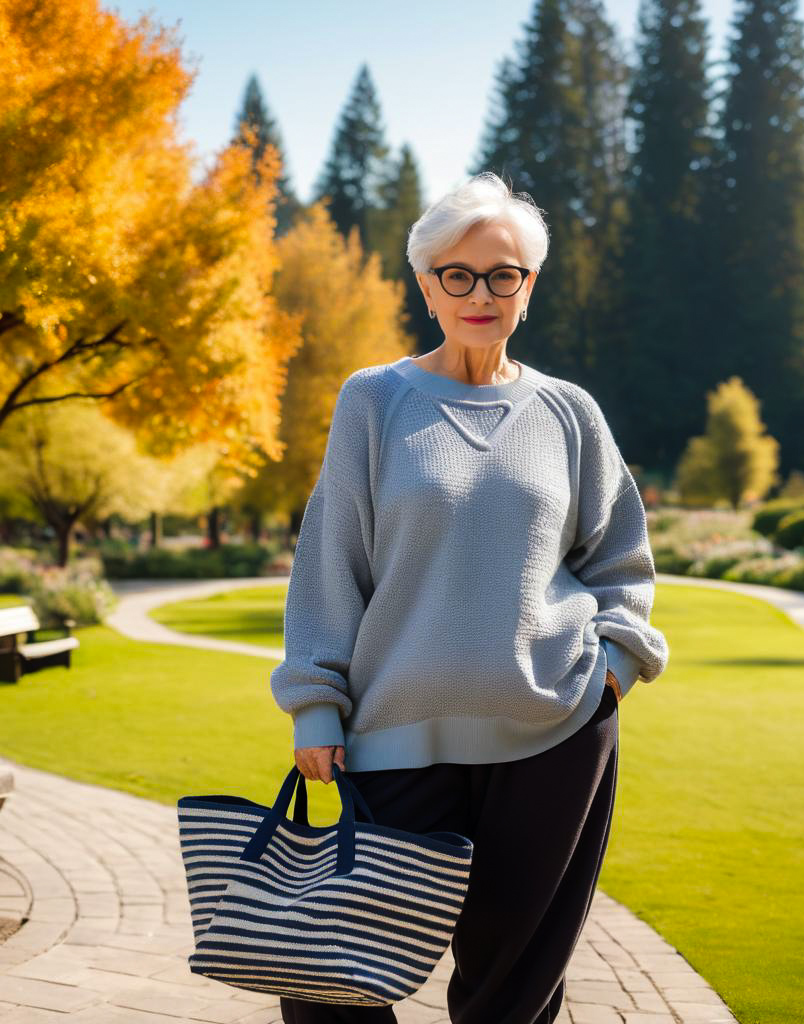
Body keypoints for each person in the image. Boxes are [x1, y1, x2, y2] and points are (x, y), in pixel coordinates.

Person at [270, 171, 670, 1024]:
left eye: (503, 274)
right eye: (458, 273)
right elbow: (330, 560)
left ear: (530, 284)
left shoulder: (570, 413)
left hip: (554, 734)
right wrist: (313, 704)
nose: (479, 293)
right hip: (394, 739)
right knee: (335, 979)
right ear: (426, 284)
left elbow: (621, 560)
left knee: (513, 990)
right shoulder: (373, 401)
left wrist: (611, 670)